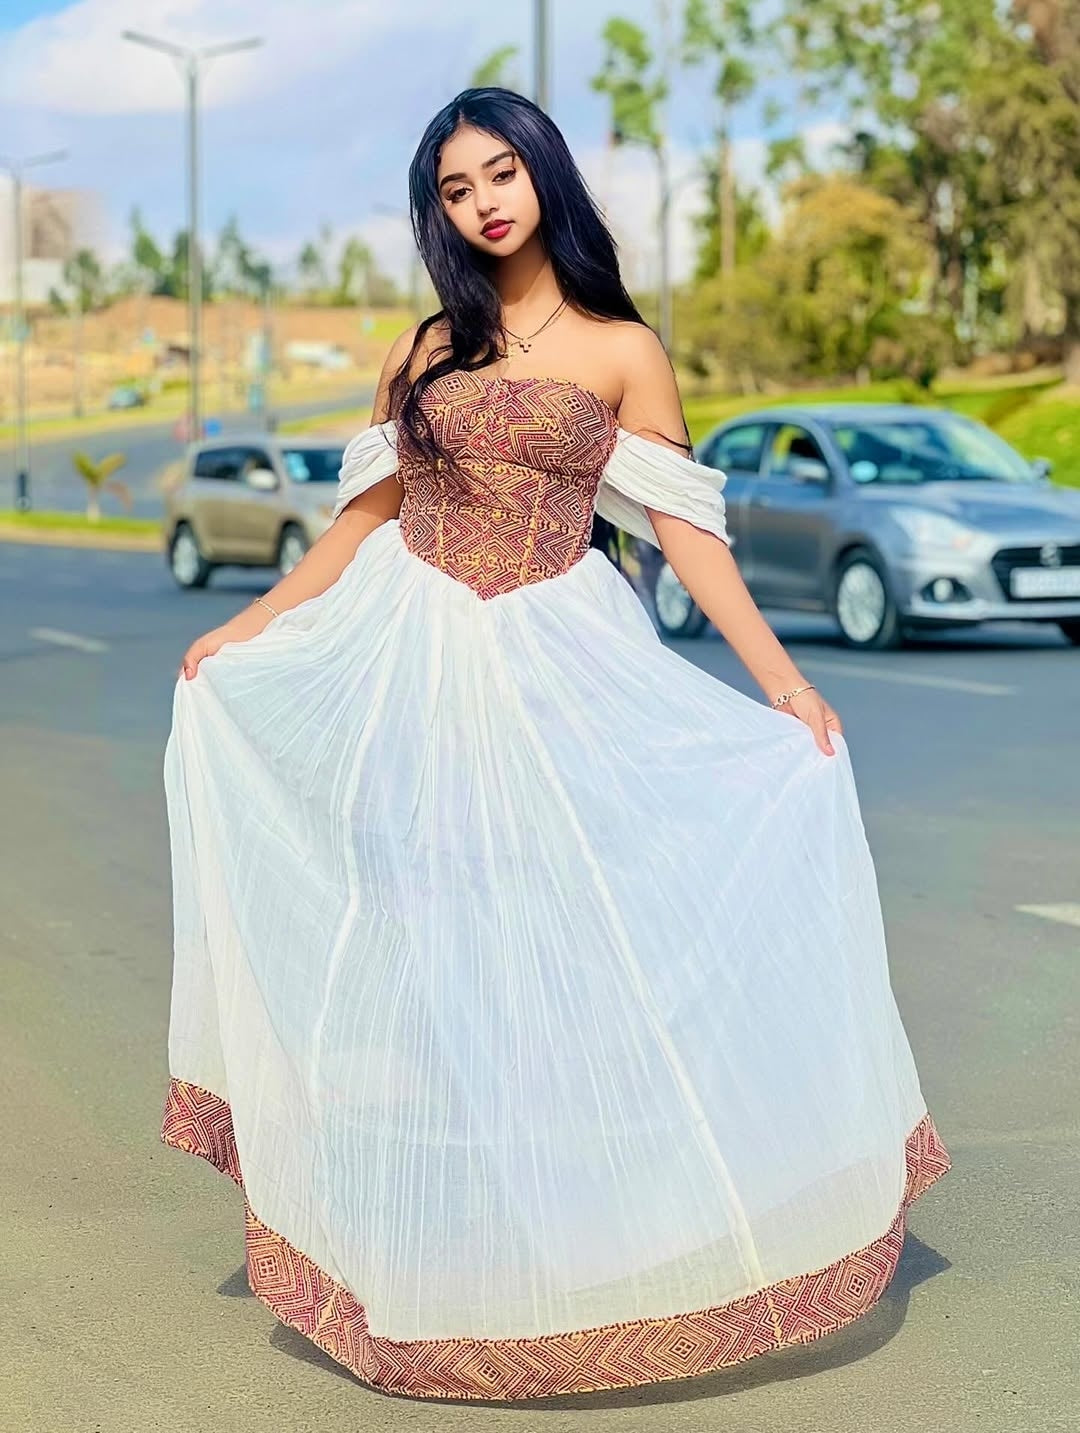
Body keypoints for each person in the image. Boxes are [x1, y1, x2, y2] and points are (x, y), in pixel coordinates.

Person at [160, 87, 949, 1403]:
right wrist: (242, 629)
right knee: (437, 928)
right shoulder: (422, 350)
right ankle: (446, 1231)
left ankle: (589, 1219)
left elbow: (686, 533)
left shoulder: (622, 349)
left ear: (544, 177)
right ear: (444, 212)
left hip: (562, 659)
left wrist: (782, 684)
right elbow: (357, 524)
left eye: (502, 172)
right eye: (459, 187)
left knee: (576, 923)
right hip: (416, 656)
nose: (484, 200)